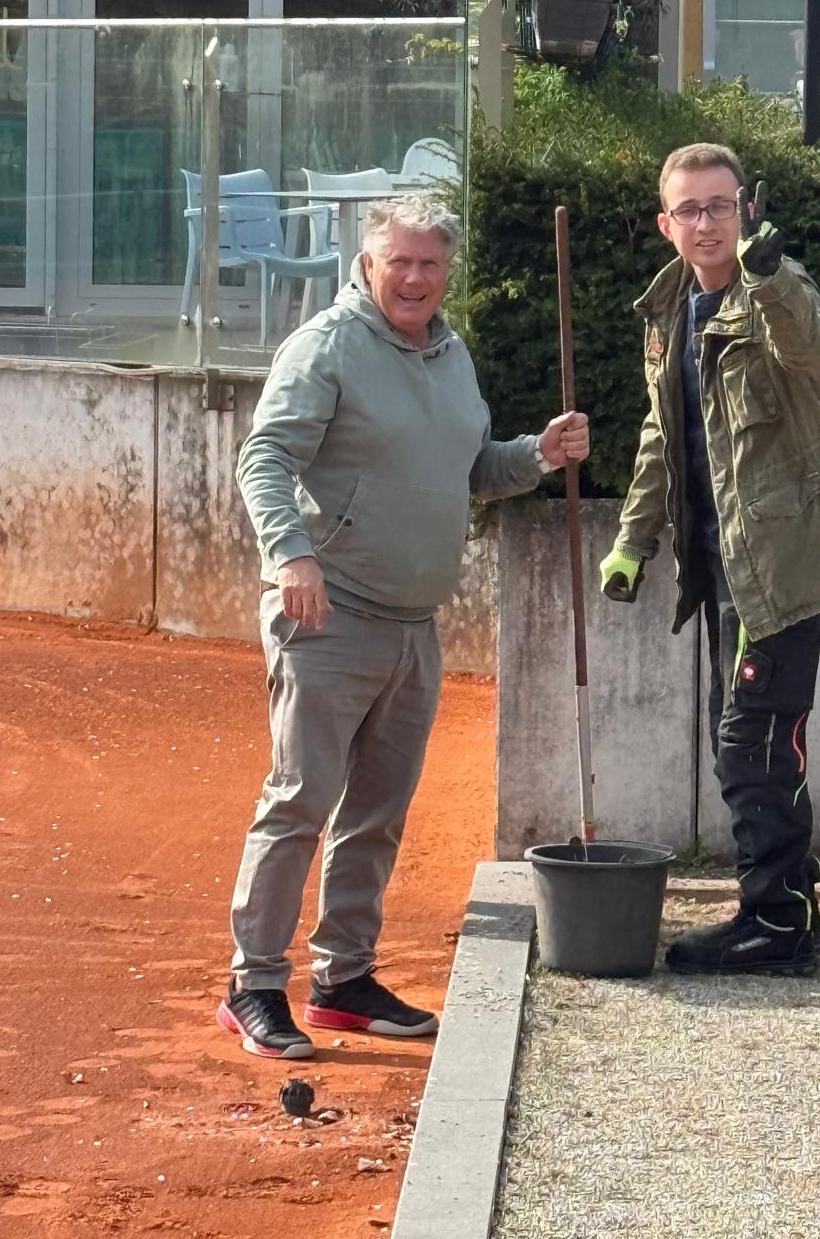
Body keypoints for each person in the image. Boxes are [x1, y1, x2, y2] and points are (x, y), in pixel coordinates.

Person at [220, 192, 590, 1058]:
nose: (415, 278)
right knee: (300, 802)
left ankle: (343, 980)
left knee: (377, 814)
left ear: (447, 270)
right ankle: (254, 983)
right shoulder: (328, 346)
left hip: (414, 625)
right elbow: (264, 456)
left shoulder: (451, 356)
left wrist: (537, 455)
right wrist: (291, 556)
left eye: (430, 263)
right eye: (400, 262)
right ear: (368, 263)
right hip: (329, 614)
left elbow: (471, 469)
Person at [600, 143, 820, 975]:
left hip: (776, 566)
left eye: (721, 205)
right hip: (718, 569)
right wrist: (632, 542)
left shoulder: (776, 286)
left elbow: (813, 352)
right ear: (665, 223)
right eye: (690, 209)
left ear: (745, 209)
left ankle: (775, 923)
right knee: (748, 740)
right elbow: (662, 436)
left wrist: (770, 275)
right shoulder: (669, 307)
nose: (707, 223)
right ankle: (792, 913)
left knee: (754, 744)